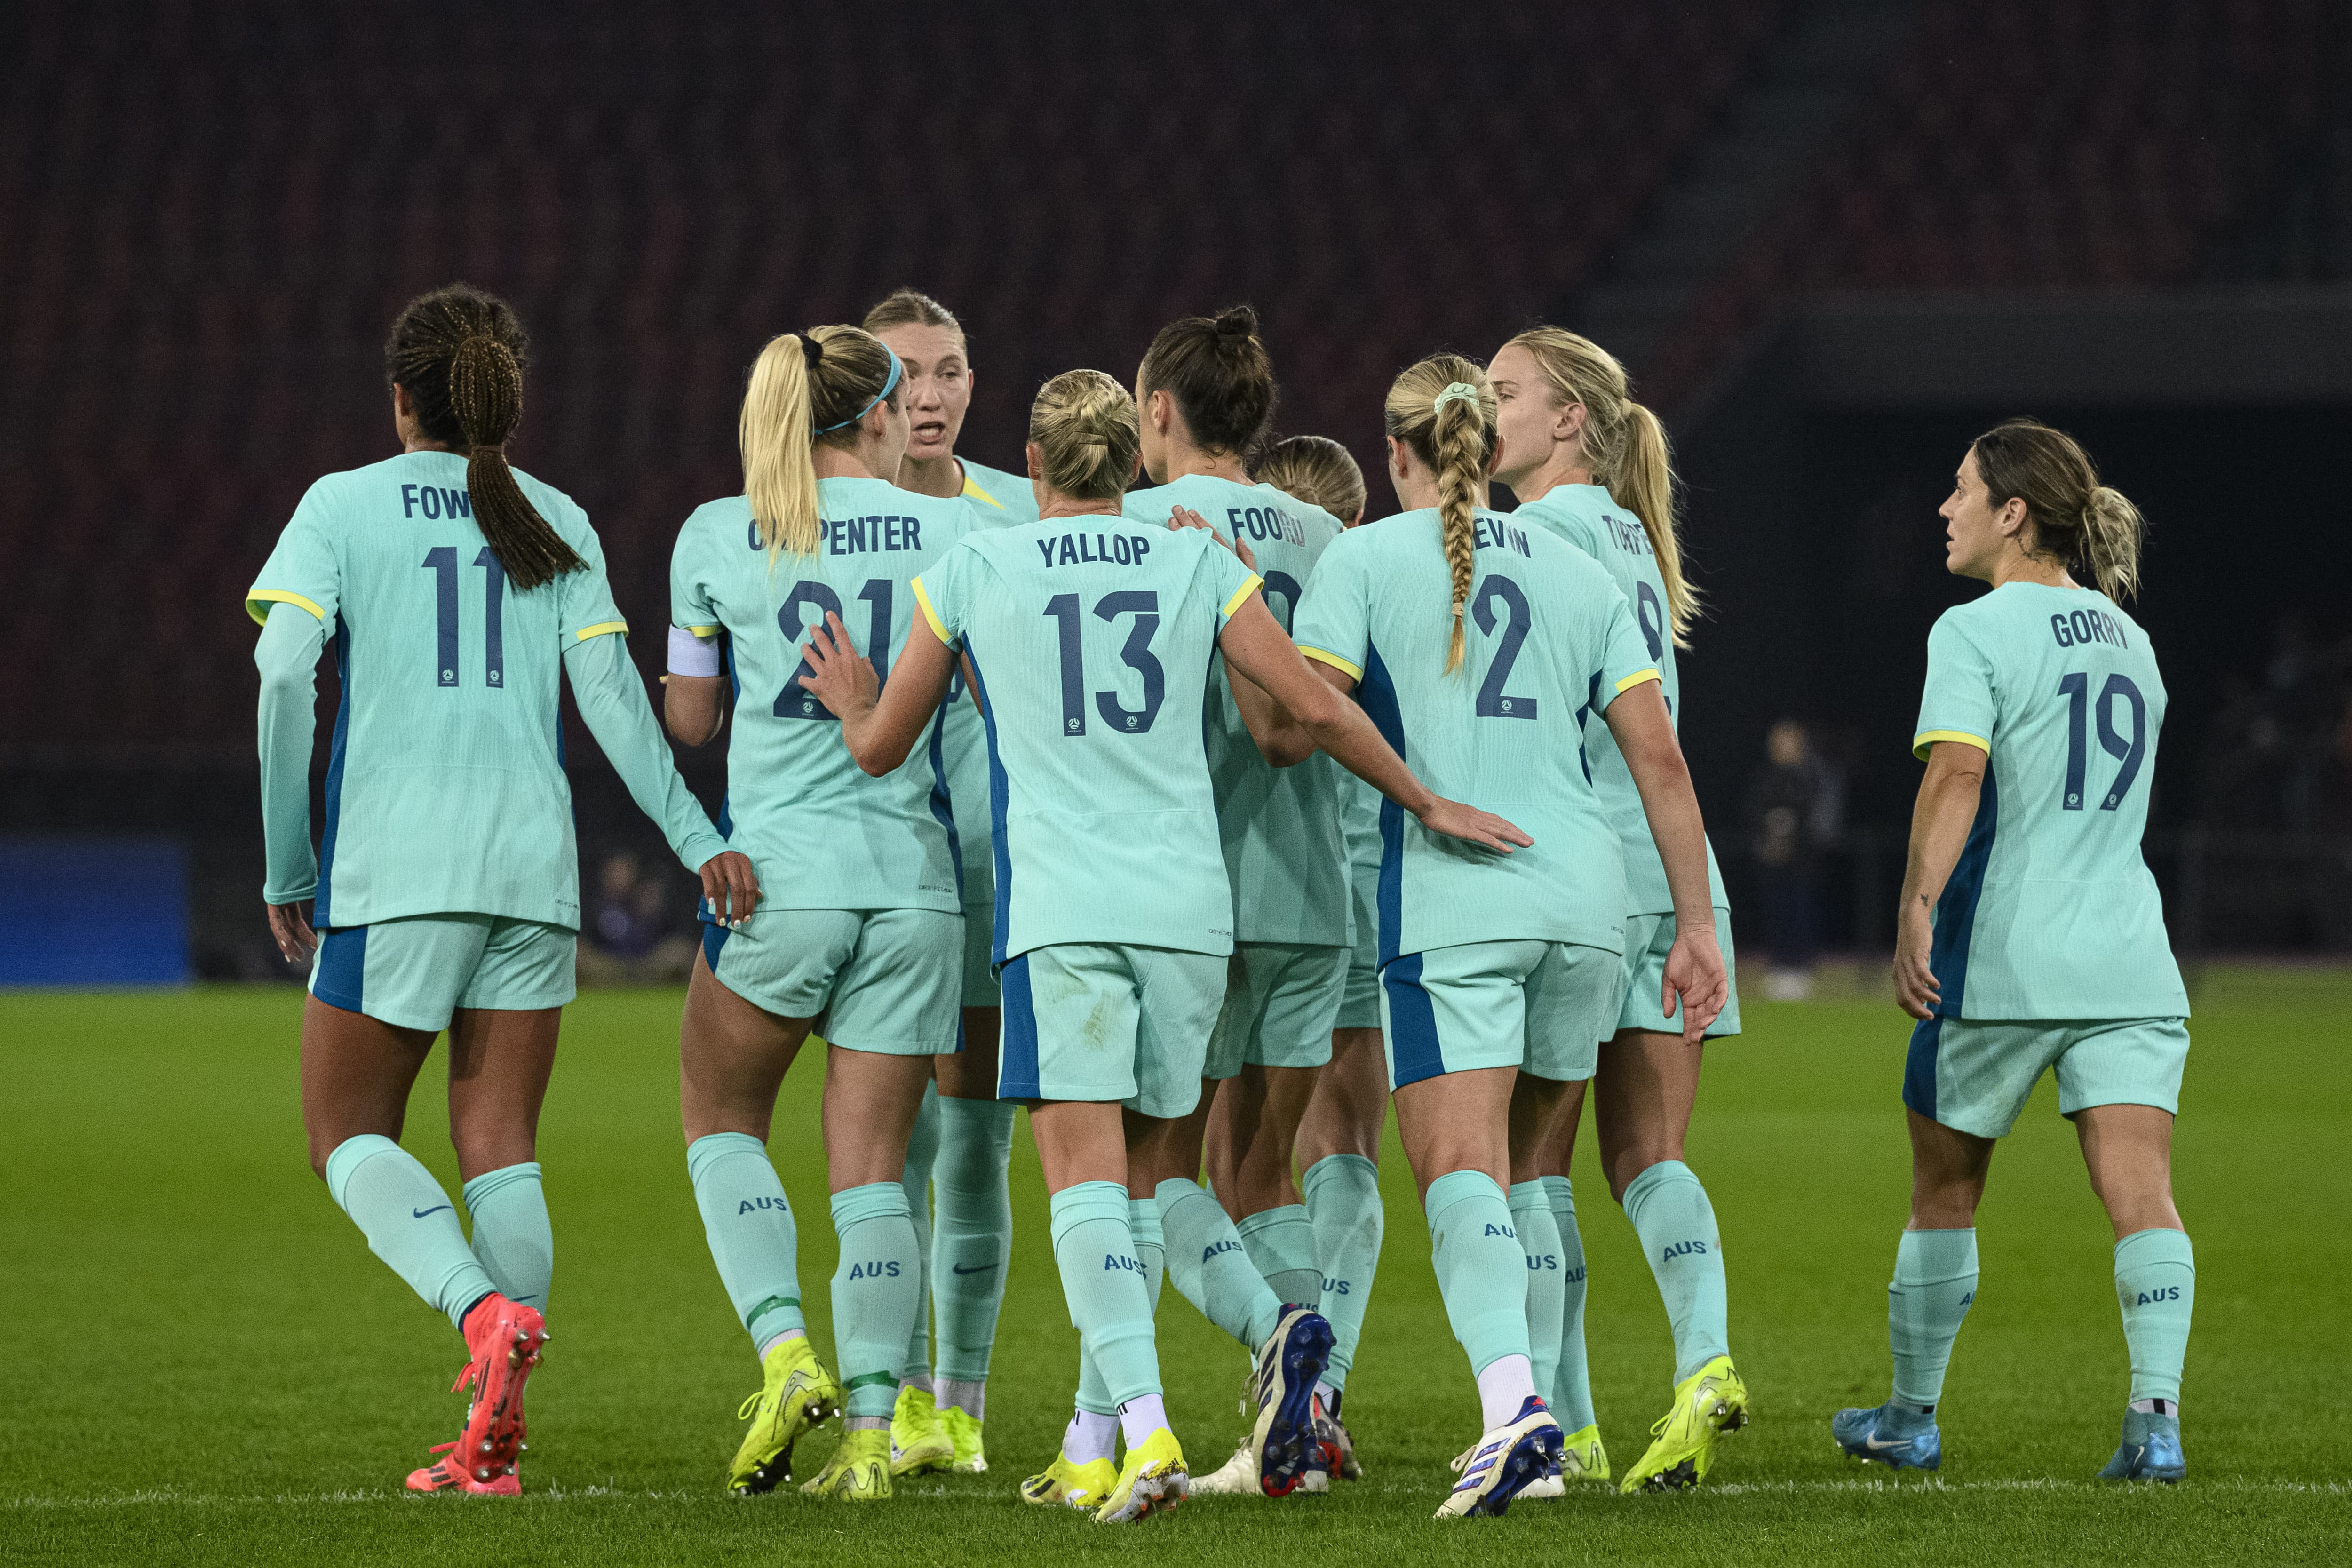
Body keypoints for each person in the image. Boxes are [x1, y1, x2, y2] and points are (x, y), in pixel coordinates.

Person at [796, 368, 1527, 1523]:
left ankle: (1147, 1428)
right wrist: (1426, 801)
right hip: (1192, 914)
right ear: (1128, 464)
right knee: (1148, 1178)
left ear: (1031, 466)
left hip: (1066, 916)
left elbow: (884, 747)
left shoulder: (974, 567)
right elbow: (1313, 709)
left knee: (1089, 1184)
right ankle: (1270, 1348)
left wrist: (849, 699)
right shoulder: (1195, 558)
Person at [248, 283, 758, 1496]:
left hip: (396, 869)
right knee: (501, 1150)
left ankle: (483, 1316)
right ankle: (494, 1440)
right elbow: (621, 710)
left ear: (399, 400)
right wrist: (697, 841)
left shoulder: (342, 507)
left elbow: (281, 674)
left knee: (345, 1136)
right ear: (506, 403)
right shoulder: (556, 518)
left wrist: (286, 862)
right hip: (534, 875)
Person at [1290, 354, 1728, 1519]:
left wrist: (1422, 795)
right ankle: (1555, 1433)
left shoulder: (1367, 557)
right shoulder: (1582, 569)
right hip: (1587, 904)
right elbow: (1661, 760)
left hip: (1456, 899)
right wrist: (1691, 924)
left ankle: (1513, 1413)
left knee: (1456, 1168)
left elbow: (1308, 714)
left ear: (1399, 453)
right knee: (1532, 1174)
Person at [1832, 420, 2194, 1483]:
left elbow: (1956, 775)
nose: (1943, 511)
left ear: (2012, 513)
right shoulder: (2130, 636)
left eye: (1958, 492)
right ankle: (2154, 1420)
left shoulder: (1976, 629)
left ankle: (1908, 1415)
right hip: (2130, 957)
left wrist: (1914, 905)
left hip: (2002, 958)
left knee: (1944, 1190)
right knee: (2143, 1194)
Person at [663, 324, 977, 1503]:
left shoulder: (715, 530)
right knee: (874, 1175)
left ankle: (787, 1353)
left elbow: (691, 722)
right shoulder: (961, 529)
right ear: (887, 413)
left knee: (721, 1118)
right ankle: (870, 1438)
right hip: (913, 887)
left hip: (778, 883)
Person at [1487, 326, 1748, 1493]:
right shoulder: (1638, 540)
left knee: (1530, 1163)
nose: (1479, 410)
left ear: (1568, 421)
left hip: (1574, 874)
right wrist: (1698, 918)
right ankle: (1703, 1364)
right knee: (1649, 1156)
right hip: (1671, 874)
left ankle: (1572, 1422)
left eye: (1502, 393)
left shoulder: (1527, 538)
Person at [1116, 311, 1354, 1499]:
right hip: (1319, 888)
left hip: (1190, 894)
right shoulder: (1330, 530)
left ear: (1157, 411)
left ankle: (1277, 1345)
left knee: (1146, 1170)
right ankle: (1302, 1439)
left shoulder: (1131, 528)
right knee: (1264, 1174)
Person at [859, 288, 1032, 1476]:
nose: (928, 394)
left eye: (951, 370)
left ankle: (952, 1411)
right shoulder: (825, 517)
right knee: (892, 1143)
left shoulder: (1021, 516)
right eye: (906, 373)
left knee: (970, 1140)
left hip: (987, 869)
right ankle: (896, 1389)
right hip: (869, 875)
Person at [1256, 434, 1384, 1484]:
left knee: (1233, 1159)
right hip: (1369, 877)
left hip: (1247, 880)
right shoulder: (1379, 566)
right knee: (1346, 1146)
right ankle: (1321, 1382)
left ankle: (1283, 1350)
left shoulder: (1221, 560)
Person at [1745, 717, 1835, 1000]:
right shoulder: (1766, 778)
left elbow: (1821, 820)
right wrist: (1767, 839)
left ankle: (1801, 969)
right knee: (1776, 912)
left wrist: (1799, 837)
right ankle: (1779, 967)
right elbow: (1754, 815)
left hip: (1802, 861)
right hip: (1773, 861)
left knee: (1801, 911)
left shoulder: (1811, 776)